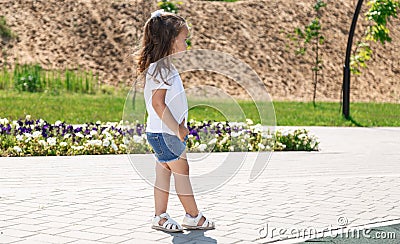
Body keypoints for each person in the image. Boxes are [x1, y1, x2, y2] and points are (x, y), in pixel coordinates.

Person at [135, 9, 215, 232]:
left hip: (159, 132)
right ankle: (193, 216)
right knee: (182, 172)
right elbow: (158, 103)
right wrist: (177, 128)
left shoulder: (160, 67)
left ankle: (160, 216)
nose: (186, 45)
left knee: (164, 172)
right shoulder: (162, 69)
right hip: (166, 133)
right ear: (170, 41)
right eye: (184, 40)